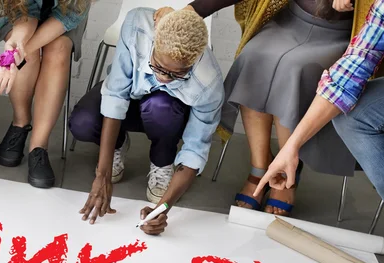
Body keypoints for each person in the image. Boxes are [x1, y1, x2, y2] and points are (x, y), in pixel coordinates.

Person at [157, 0, 375, 217]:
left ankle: (286, 172)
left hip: (342, 35)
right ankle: (259, 168)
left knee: (293, 69)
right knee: (253, 57)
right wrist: (195, 10)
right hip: (289, 23)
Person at [68, 8, 224, 236]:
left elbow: (194, 151)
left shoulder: (208, 83)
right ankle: (117, 145)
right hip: (130, 97)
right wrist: (102, 175)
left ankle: (162, 161)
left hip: (167, 116)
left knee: (161, 108)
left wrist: (164, 208)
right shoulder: (137, 25)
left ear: (194, 61)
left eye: (175, 75)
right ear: (154, 41)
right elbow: (116, 94)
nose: (163, 77)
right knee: (83, 123)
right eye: (157, 66)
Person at [254, 0, 384, 208]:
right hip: (296, 26)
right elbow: (355, 65)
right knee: (352, 116)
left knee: (294, 67)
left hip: (332, 34)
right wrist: (290, 148)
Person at [0, 0, 90, 189]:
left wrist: (18, 54)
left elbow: (68, 14)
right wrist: (18, 46)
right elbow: (25, 11)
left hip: (63, 11)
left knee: (58, 49)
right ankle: (20, 123)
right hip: (12, 7)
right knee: (27, 53)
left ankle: (38, 146)